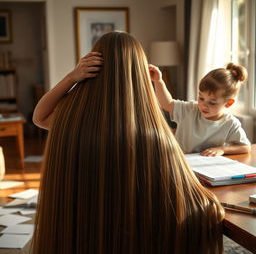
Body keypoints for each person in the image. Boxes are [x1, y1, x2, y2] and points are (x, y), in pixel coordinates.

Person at [32, 31, 224, 254]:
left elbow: (39, 117)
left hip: (85, 230)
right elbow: (187, 197)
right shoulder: (155, 135)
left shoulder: (73, 121)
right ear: (138, 73)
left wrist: (72, 77)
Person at [149, 63, 251, 156]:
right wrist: (158, 81)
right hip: (178, 161)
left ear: (228, 103)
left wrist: (222, 149)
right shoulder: (190, 109)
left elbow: (246, 147)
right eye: (201, 98)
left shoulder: (231, 123)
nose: (203, 105)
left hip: (205, 168)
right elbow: (167, 104)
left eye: (212, 102)